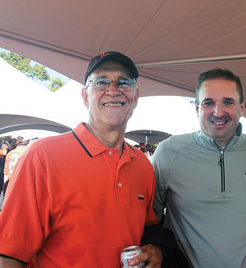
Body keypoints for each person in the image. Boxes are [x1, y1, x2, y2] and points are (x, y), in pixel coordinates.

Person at [0, 52, 163, 268]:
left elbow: (147, 229)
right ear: (85, 96)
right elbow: (10, 256)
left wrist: (156, 250)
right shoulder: (42, 156)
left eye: (123, 83)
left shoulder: (142, 165)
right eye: (101, 82)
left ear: (135, 97)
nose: (113, 90)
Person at [152, 68, 246, 268]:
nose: (218, 112)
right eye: (208, 103)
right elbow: (150, 221)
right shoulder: (168, 152)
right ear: (197, 107)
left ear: (241, 108)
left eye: (228, 102)